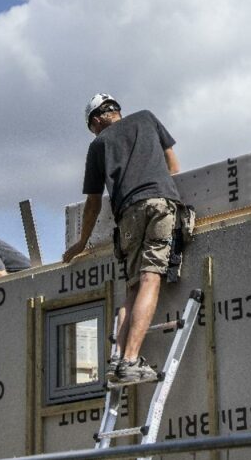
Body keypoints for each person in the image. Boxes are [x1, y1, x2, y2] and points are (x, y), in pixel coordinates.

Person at [64, 93, 181, 386]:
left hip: (127, 213)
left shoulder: (98, 145)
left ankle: (119, 357)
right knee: (151, 279)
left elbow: (93, 203)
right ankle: (131, 361)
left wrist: (82, 243)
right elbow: (174, 166)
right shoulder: (146, 117)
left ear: (95, 121)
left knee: (132, 286)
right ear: (115, 110)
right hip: (157, 202)